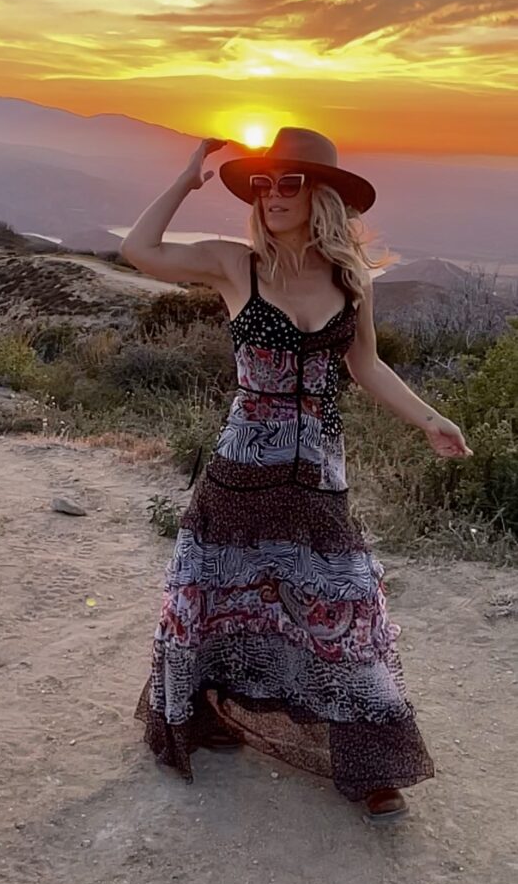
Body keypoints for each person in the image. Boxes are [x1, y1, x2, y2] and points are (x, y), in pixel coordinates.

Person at [120, 127, 472, 823]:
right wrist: (186, 180)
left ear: (322, 196)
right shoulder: (234, 265)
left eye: (289, 183)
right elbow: (138, 251)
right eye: (263, 183)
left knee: (343, 613)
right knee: (218, 597)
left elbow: (365, 366)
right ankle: (206, 714)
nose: (272, 195)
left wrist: (430, 419)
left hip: (317, 477)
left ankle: (372, 764)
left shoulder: (350, 279)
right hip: (241, 469)